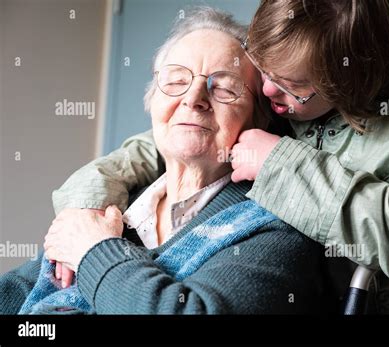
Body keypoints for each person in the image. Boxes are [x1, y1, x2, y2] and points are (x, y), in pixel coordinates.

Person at [51, 0, 389, 314]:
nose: (267, 93)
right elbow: (167, 142)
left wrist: (280, 167)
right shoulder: (283, 92)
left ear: (349, 89)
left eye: (290, 86)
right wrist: (84, 207)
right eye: (262, 71)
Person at [0, 7, 328, 315]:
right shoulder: (112, 203)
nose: (193, 99)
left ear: (259, 120)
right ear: (152, 102)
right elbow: (20, 289)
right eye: (175, 82)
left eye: (224, 88)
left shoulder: (273, 227)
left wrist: (94, 251)